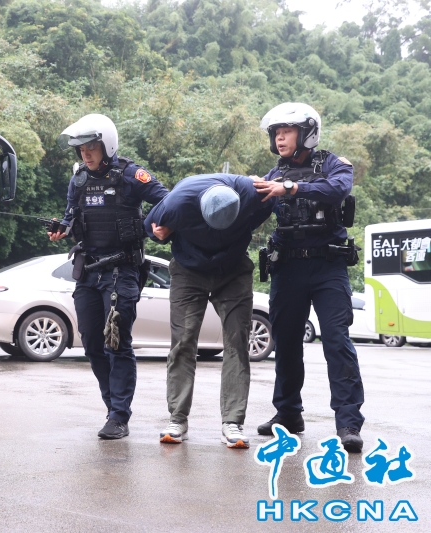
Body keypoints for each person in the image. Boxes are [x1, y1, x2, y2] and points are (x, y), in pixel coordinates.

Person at [254, 102, 365, 453]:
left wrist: (291, 188)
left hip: (328, 266)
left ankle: (348, 422)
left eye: (286, 131)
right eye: (276, 133)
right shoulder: (272, 175)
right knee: (286, 342)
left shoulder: (333, 164)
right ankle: (288, 414)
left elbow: (337, 190)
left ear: (307, 134)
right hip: (287, 266)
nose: (280, 138)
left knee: (336, 340)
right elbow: (249, 210)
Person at [48, 114, 168, 440]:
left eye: (91, 147)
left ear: (107, 145)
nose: (85, 154)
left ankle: (119, 416)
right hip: (88, 271)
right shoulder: (78, 180)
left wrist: (157, 226)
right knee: (91, 343)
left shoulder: (131, 175)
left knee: (116, 342)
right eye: (81, 149)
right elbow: (71, 216)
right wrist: (62, 228)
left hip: (122, 271)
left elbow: (167, 199)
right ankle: (111, 407)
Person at [146, 174, 275, 448]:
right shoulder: (176, 203)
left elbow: (277, 190)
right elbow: (151, 226)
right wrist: (160, 233)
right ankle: (177, 419)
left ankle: (233, 422)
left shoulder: (252, 192)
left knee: (237, 342)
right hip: (188, 271)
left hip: (233, 270)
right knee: (183, 342)